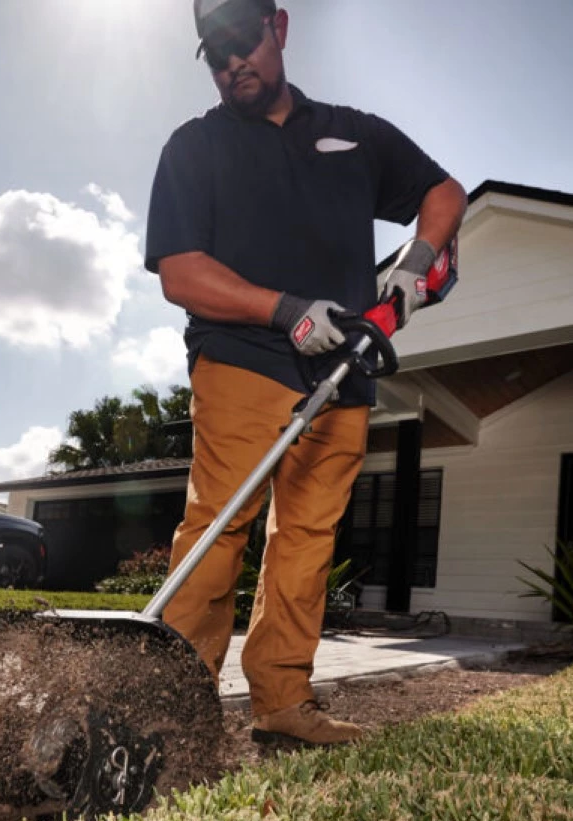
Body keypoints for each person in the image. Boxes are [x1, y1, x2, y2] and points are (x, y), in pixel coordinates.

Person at [145, 0, 466, 746]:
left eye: (242, 44)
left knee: (307, 539)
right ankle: (174, 709)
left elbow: (443, 192)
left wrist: (418, 262)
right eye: (215, 53)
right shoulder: (194, 148)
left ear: (279, 28)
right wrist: (283, 308)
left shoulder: (354, 133)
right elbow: (180, 272)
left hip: (347, 370)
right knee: (218, 529)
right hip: (242, 360)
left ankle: (283, 703)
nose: (233, 65)